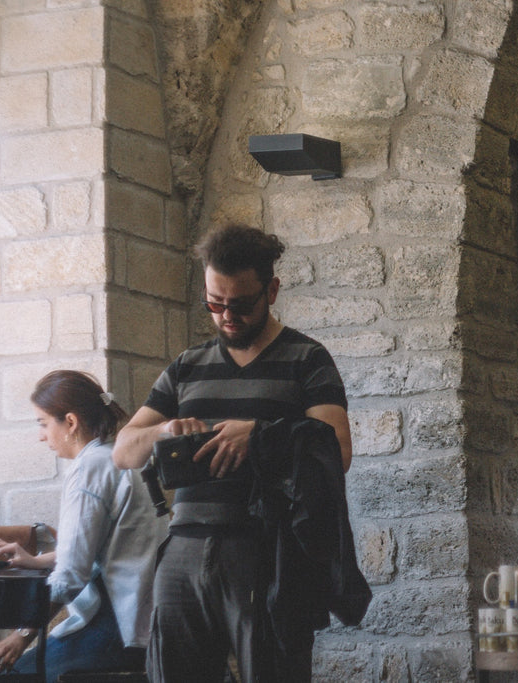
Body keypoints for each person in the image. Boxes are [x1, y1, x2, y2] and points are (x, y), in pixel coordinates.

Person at [111, 224, 357, 683]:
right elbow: (124, 451)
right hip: (183, 548)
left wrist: (260, 435)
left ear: (273, 289)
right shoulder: (187, 366)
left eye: (240, 304)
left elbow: (336, 448)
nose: (226, 316)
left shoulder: (307, 359)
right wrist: (165, 428)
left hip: (263, 549)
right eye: (214, 303)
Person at [0, 370, 168, 682]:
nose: (41, 435)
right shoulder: (116, 458)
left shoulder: (89, 471)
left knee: (12, 675)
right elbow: (109, 543)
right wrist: (39, 560)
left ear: (70, 422)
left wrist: (22, 634)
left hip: (119, 628)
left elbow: (70, 578)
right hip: (148, 620)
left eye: (43, 423)